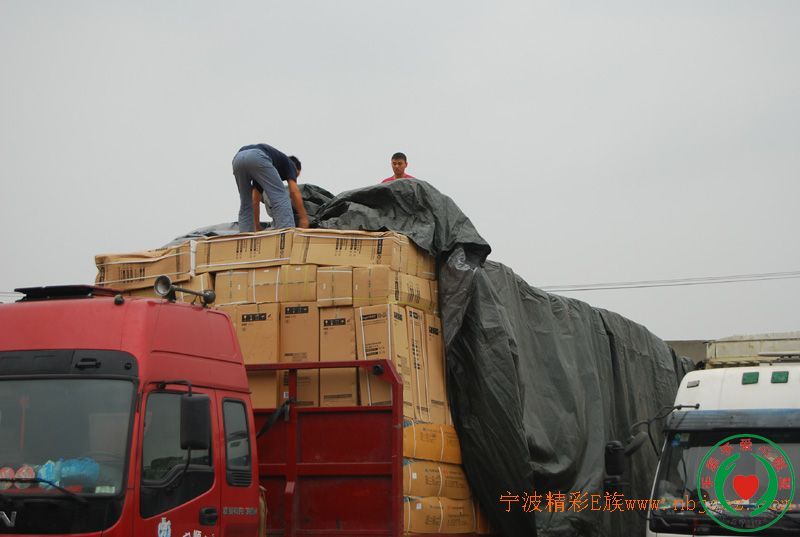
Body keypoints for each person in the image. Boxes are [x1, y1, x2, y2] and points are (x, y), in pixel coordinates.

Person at [232, 143, 310, 231]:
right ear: (296, 169)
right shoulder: (290, 164)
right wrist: (304, 218)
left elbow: (255, 200)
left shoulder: (264, 171)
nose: (294, 177)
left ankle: (246, 235)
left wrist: (256, 227)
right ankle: (285, 232)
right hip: (258, 156)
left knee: (246, 203)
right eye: (296, 175)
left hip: (238, 159)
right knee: (280, 196)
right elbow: (294, 192)